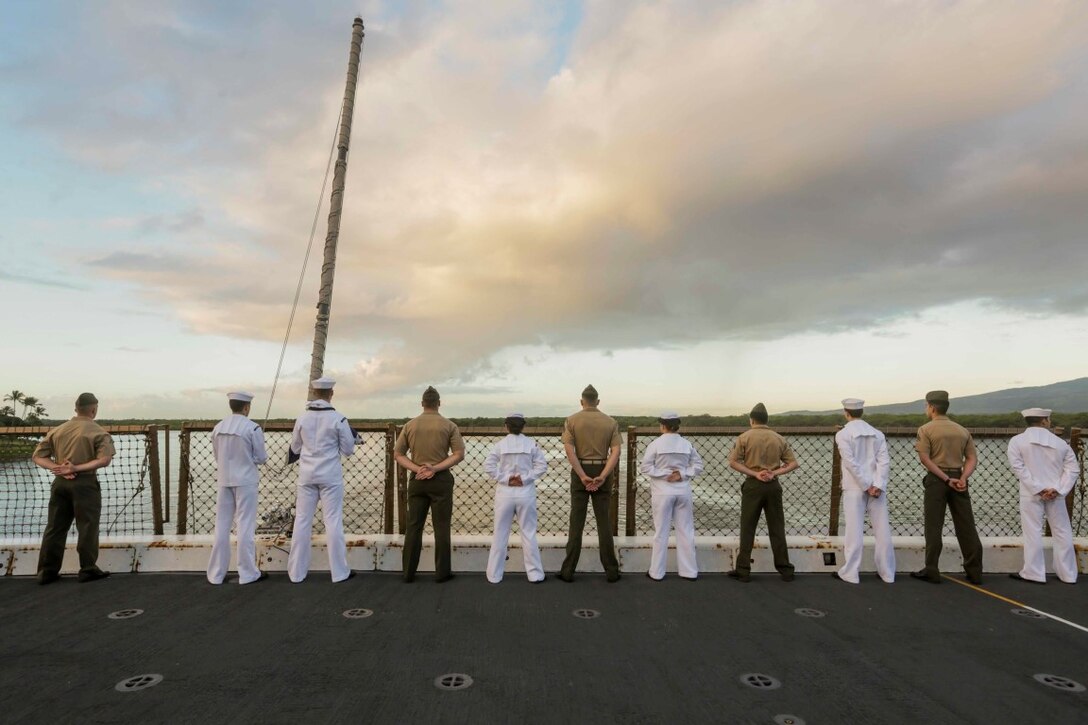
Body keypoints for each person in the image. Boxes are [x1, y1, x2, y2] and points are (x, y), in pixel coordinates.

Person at [31, 392, 115, 584]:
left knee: (55, 526)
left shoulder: (57, 431)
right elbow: (104, 460)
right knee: (87, 526)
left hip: (60, 483)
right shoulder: (98, 432)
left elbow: (37, 456)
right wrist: (75, 468)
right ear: (94, 410)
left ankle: (46, 571)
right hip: (85, 483)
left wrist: (58, 468)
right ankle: (87, 569)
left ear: (76, 409)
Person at [287, 377, 357, 583]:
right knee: (333, 521)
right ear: (331, 394)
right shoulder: (339, 419)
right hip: (330, 476)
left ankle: (296, 573)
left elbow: (296, 448)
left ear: (314, 393)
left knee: (302, 521)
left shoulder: (302, 418)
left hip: (307, 475)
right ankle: (339, 572)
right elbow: (348, 450)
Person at [911, 390, 983, 585]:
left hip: (937, 480)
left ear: (932, 407)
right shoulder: (962, 430)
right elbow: (971, 458)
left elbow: (925, 458)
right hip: (959, 478)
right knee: (966, 525)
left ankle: (932, 569)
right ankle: (974, 570)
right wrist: (963, 477)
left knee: (934, 526)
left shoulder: (926, 430)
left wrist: (944, 478)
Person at [395, 386, 465, 583]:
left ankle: (408, 572)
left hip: (417, 480)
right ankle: (442, 573)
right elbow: (459, 454)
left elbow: (398, 454)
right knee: (441, 527)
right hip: (440, 479)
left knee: (413, 526)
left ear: (422, 403)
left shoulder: (410, 425)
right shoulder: (449, 425)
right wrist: (435, 468)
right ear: (439, 403)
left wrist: (417, 469)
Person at [726, 402, 799, 582]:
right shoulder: (778, 438)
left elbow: (733, 462)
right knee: (777, 527)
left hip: (753, 485)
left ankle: (743, 570)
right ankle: (785, 569)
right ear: (767, 420)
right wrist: (773, 472)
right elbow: (793, 463)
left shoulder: (744, 437)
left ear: (751, 420)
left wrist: (755, 473)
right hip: (773, 485)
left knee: (748, 527)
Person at [558, 384, 622, 583]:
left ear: (581, 401)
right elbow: (616, 452)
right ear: (598, 401)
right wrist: (602, 475)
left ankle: (568, 571)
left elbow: (570, 452)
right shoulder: (610, 422)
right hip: (602, 468)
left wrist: (582, 475)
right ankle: (611, 571)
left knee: (576, 522)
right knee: (604, 523)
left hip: (581, 470)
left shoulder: (572, 420)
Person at [1006, 408, 1079, 584]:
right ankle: (1068, 574)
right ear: (1044, 421)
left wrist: (1037, 488)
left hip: (1030, 494)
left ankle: (1034, 572)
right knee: (1062, 532)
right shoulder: (1061, 444)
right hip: (1056, 494)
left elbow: (1018, 468)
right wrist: (1058, 489)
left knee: (1032, 532)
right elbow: (1073, 469)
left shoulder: (1017, 441)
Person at [207, 391, 268, 585]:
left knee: (222, 526)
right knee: (245, 526)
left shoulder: (218, 428)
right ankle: (248, 573)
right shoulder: (253, 428)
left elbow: (217, 455)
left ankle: (216, 574)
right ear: (246, 407)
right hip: (246, 481)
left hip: (224, 480)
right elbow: (260, 457)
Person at [833, 398, 894, 584]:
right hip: (877, 488)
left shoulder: (843, 434)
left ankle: (851, 573)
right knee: (882, 530)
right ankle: (887, 573)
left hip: (854, 487)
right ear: (862, 412)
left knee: (854, 530)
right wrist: (877, 484)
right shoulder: (878, 434)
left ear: (846, 412)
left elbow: (850, 463)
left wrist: (866, 485)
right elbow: (884, 462)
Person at [483, 413, 547, 584]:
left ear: (506, 426)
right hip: (525, 492)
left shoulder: (500, 445)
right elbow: (542, 465)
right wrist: (525, 478)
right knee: (528, 533)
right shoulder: (531, 444)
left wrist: (505, 478)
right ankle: (535, 574)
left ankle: (494, 575)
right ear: (523, 426)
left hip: (505, 492)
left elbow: (488, 465)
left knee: (500, 533)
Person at [640, 412, 704, 581]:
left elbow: (645, 468)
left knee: (661, 531)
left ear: (662, 426)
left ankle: (657, 572)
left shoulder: (655, 444)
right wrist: (681, 474)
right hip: (683, 491)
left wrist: (663, 473)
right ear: (677, 426)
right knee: (686, 530)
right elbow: (698, 465)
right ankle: (689, 571)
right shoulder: (686, 444)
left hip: (662, 492)